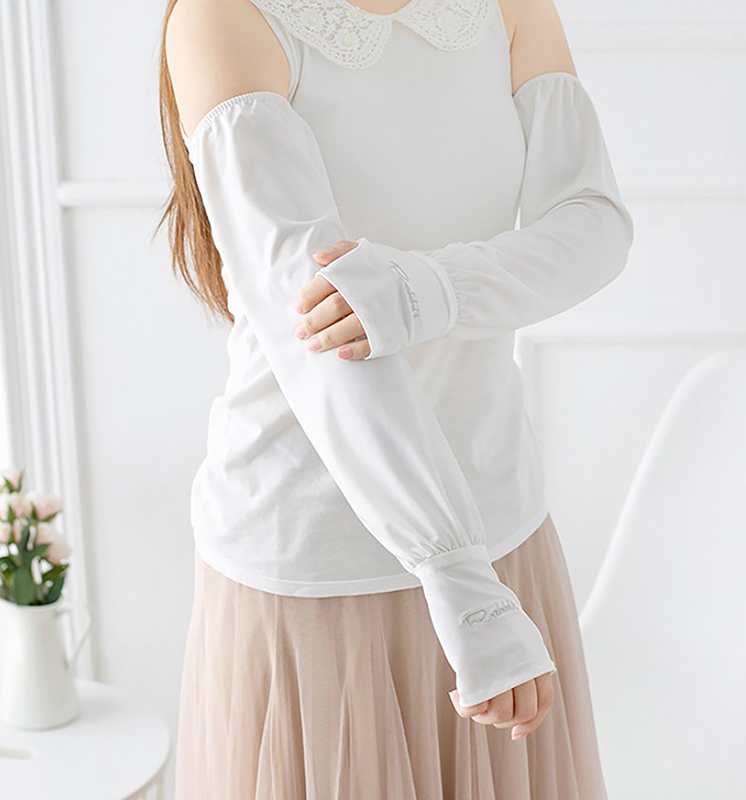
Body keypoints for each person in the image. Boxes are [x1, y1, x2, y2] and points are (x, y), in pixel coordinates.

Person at [158, 0, 633, 795]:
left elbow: (594, 222)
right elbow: (315, 330)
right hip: (318, 569)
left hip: (501, 533)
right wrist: (456, 575)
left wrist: (427, 290)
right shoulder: (224, 15)